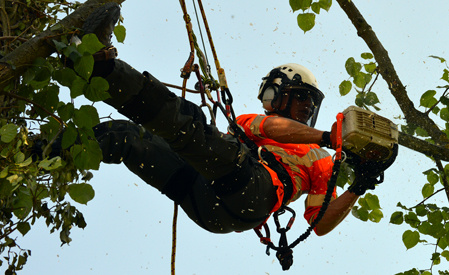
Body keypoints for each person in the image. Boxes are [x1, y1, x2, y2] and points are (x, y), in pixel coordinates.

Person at [71, 3, 397, 236]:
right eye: (301, 97)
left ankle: (102, 67)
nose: (306, 107)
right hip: (204, 193)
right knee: (128, 136)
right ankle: (42, 152)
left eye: (310, 102)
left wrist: (359, 185)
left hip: (251, 195)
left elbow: (320, 223)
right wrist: (326, 137)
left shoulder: (322, 162)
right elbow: (273, 128)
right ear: (279, 96)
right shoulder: (253, 121)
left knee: (192, 129)